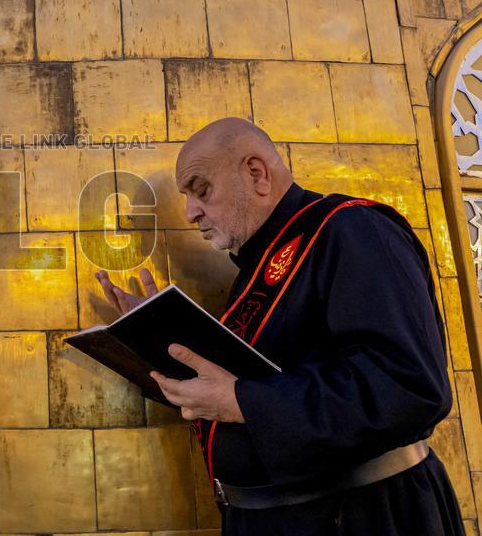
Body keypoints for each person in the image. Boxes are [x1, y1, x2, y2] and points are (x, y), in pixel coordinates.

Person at [95, 117, 464, 535]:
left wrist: (243, 402)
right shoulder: (256, 269)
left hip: (361, 515)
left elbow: (408, 388)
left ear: (256, 173)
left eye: (201, 190)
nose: (190, 212)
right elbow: (256, 376)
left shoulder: (352, 229)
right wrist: (153, 338)